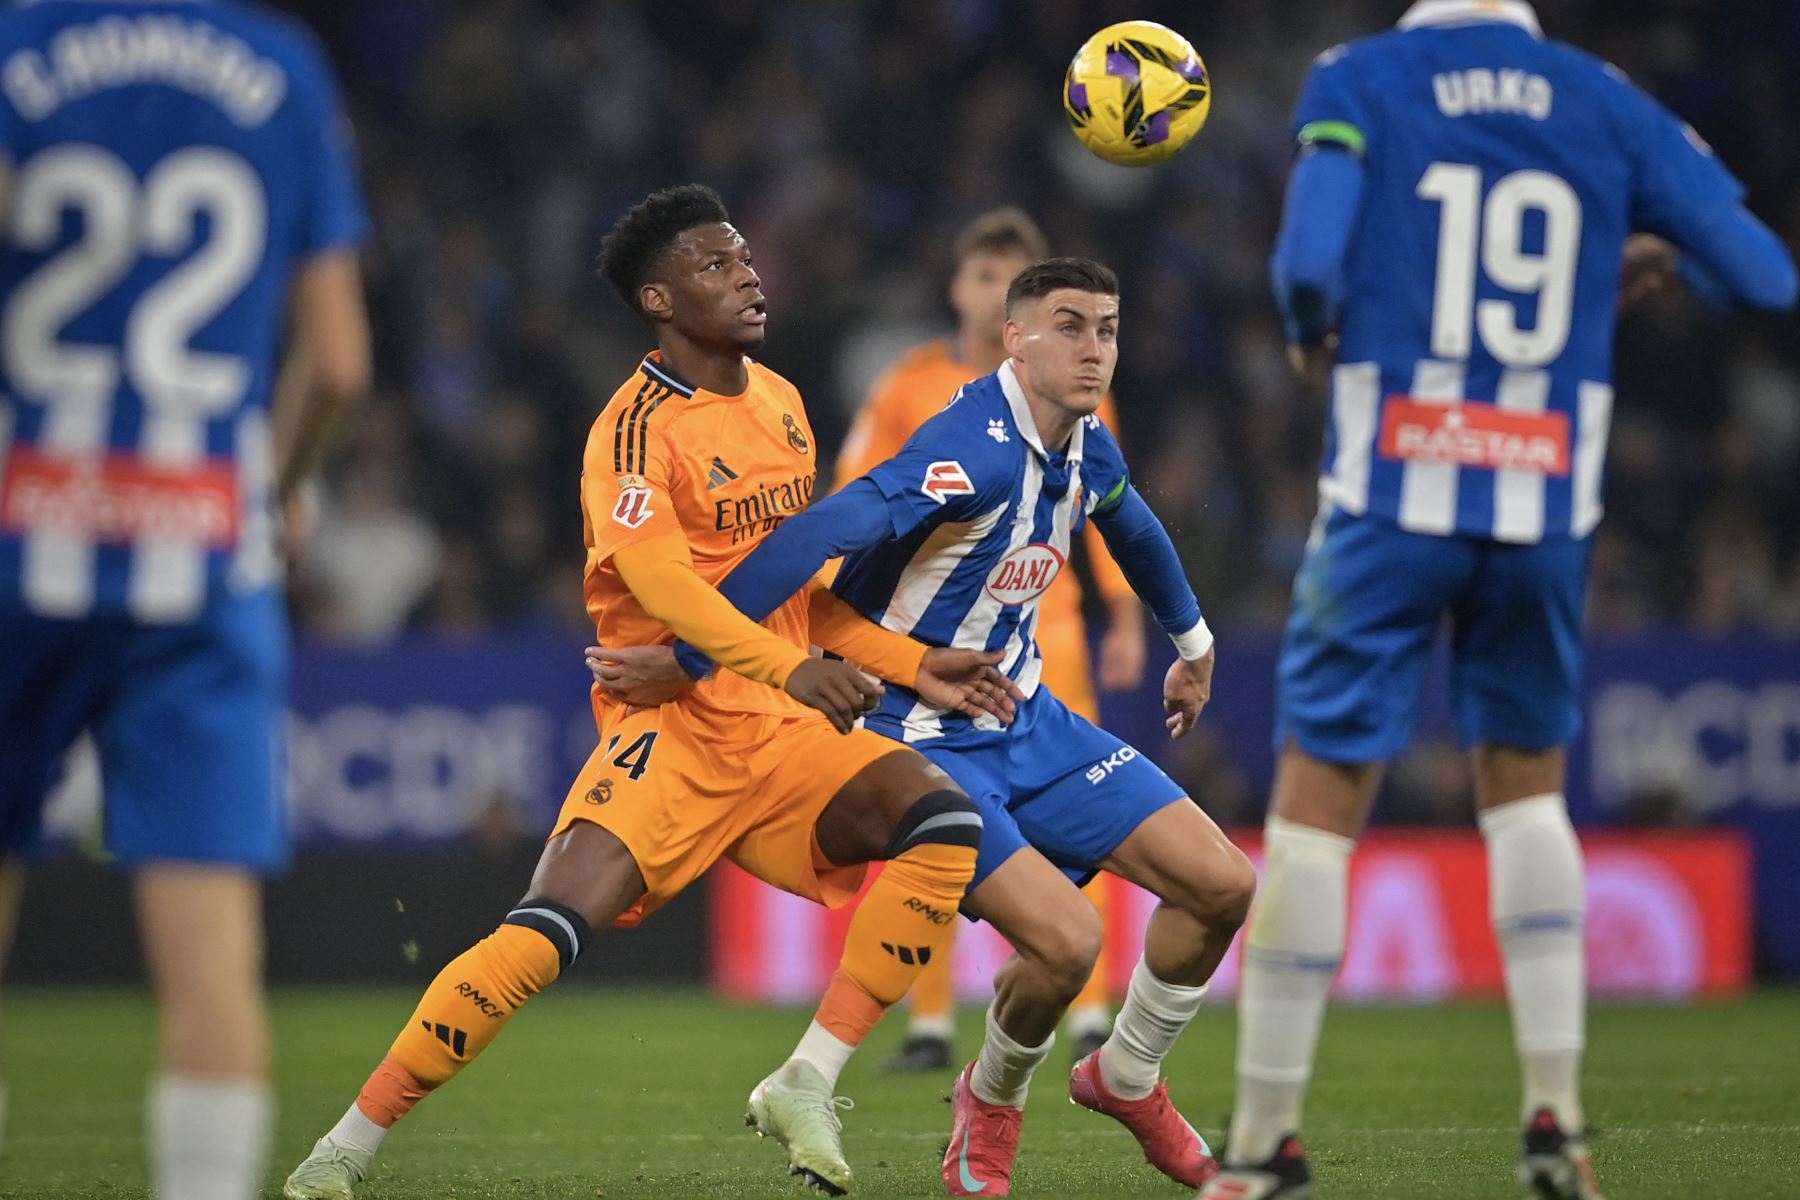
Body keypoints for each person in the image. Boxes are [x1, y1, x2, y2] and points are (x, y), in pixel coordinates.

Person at [283, 184, 1023, 1200]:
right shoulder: (631, 434)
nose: (748, 275)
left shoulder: (784, 404)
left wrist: (908, 661)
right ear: (661, 302)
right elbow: (668, 590)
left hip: (785, 735)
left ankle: (808, 1077)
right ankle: (343, 1150)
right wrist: (791, 667)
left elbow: (803, 601)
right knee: (543, 933)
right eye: (715, 266)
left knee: (942, 820)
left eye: (746, 257)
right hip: (671, 732)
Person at [1198, 4, 1799, 1199]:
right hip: (1543, 502)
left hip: (1390, 495)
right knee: (1526, 801)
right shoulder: (1605, 98)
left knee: (1318, 806)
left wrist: (1319, 334)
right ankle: (1556, 1125)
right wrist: (1629, 254)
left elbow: (1310, 264)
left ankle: (1265, 1145)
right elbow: (1766, 277)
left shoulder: (1359, 77)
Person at [596, 258, 1256, 1198]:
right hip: (915, 733)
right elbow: (816, 532)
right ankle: (988, 1102)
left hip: (1026, 715)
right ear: (1015, 337)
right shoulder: (969, 446)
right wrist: (691, 656)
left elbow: (1134, 525)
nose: (1094, 348)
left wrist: (1192, 642)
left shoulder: (1084, 441)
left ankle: (1125, 1075)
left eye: (1107, 329)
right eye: (1069, 326)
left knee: (1223, 885)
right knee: (1067, 946)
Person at [0, 3, 370, 1197]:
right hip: (203, 550)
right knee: (211, 960)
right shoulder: (278, 67)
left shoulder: (17, 45)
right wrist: (279, 486)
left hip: (21, 531)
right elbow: (341, 361)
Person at [835, 207, 1146, 1072]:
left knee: (1091, 812)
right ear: (962, 291)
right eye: (979, 275)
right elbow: (855, 491)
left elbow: (1108, 511)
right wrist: (846, 619)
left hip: (1050, 627)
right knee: (931, 817)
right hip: (936, 643)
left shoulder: (1080, 384)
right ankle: (930, 1021)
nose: (986, 291)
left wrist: (1124, 615)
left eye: (1006, 275)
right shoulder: (909, 383)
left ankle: (1089, 1009)